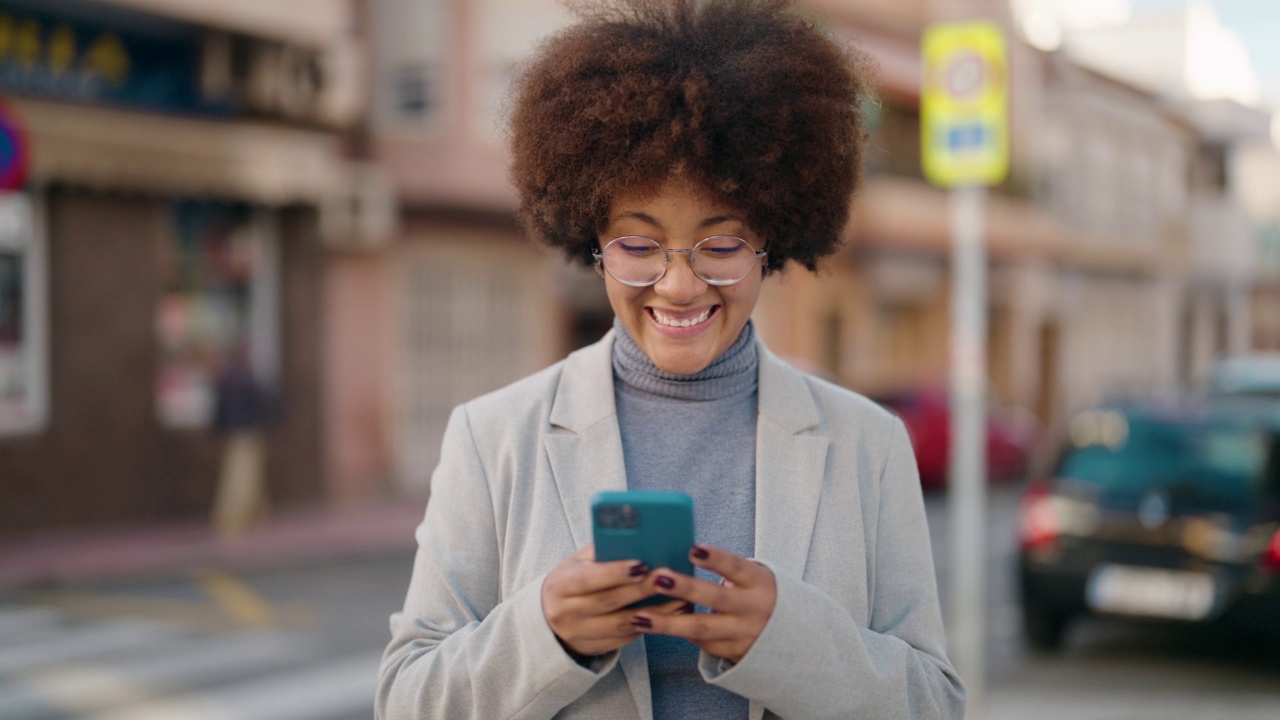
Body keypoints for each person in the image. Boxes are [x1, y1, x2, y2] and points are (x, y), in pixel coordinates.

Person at [377, 1, 965, 717]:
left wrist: (790, 641)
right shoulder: (492, 436)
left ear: (771, 241)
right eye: (638, 243)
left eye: (720, 245)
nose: (680, 283)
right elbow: (405, 699)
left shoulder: (866, 443)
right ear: (592, 240)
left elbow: (935, 703)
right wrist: (547, 632)